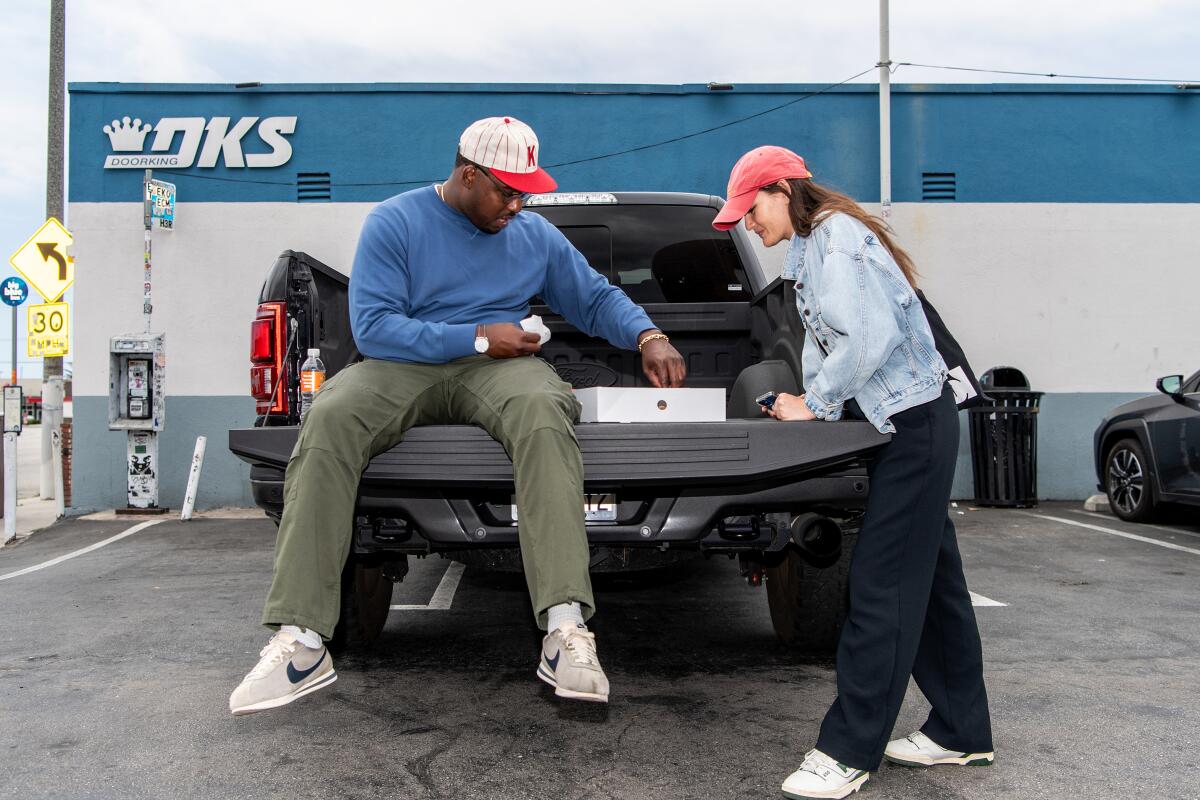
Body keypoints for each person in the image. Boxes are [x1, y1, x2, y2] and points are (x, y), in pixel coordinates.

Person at [230, 116, 686, 715]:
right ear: (467, 175)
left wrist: (649, 335)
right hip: (404, 364)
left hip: (499, 369)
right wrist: (475, 337)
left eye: (526, 191)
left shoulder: (533, 234)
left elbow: (594, 296)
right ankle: (302, 641)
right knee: (332, 415)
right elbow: (374, 328)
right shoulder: (396, 221)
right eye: (506, 190)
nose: (518, 204)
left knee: (547, 413)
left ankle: (564, 630)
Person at [712, 146, 993, 800]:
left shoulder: (837, 242)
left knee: (880, 587)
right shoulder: (815, 245)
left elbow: (865, 341)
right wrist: (806, 404)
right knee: (934, 586)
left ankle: (847, 750)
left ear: (782, 189)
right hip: (902, 425)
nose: (747, 225)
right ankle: (961, 729)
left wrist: (815, 402)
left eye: (750, 210)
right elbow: (836, 346)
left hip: (912, 427)